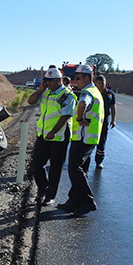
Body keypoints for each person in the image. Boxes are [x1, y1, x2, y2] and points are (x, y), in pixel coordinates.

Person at [58, 64, 104, 216]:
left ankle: (87, 201)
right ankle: (74, 201)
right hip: (90, 138)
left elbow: (83, 103)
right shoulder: (95, 91)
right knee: (81, 169)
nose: (75, 81)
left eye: (77, 78)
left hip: (83, 138)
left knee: (74, 168)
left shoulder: (87, 92)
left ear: (86, 77)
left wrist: (80, 117)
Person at [27, 67, 76, 205]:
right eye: (46, 81)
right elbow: (30, 101)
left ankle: (50, 196)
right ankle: (43, 188)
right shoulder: (46, 92)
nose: (48, 83)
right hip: (43, 135)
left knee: (55, 168)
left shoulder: (67, 95)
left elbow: (66, 116)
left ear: (59, 80)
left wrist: (53, 132)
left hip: (59, 136)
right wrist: (40, 90)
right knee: (37, 164)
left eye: (51, 81)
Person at [95, 75, 116, 169]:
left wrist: (113, 119)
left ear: (105, 82)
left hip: (104, 122)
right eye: (99, 82)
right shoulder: (93, 93)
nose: (101, 84)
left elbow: (113, 107)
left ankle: (99, 161)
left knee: (102, 142)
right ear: (95, 83)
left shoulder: (110, 94)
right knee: (88, 142)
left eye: (102, 82)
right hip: (93, 121)